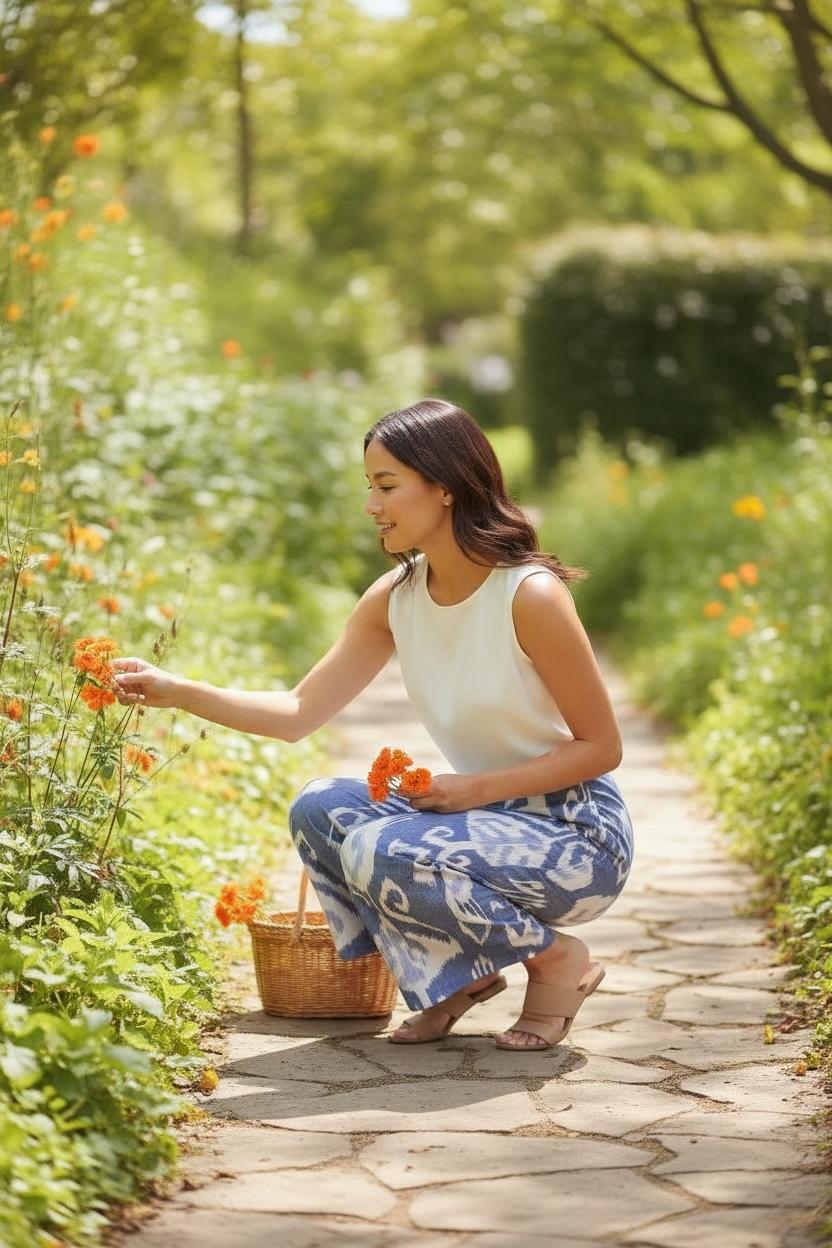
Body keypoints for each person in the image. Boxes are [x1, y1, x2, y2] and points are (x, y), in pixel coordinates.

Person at [111, 397, 634, 1051]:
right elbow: (299, 713)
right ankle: (455, 976)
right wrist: (177, 691)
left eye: (386, 485)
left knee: (379, 846)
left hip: (576, 837)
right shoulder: (396, 598)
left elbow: (603, 747)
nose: (371, 504)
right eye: (370, 486)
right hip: (484, 823)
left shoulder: (529, 596)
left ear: (443, 488)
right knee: (321, 809)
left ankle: (557, 960)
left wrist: (466, 790)